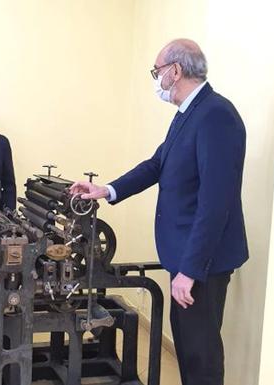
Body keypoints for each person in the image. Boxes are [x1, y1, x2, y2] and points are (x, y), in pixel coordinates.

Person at [70, 39, 248, 385]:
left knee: (202, 356)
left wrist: (191, 270)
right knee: (189, 350)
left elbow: (215, 202)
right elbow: (156, 165)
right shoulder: (188, 115)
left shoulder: (216, 115)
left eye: (157, 72)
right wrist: (106, 190)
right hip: (185, 257)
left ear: (175, 71)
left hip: (202, 263)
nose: (157, 80)